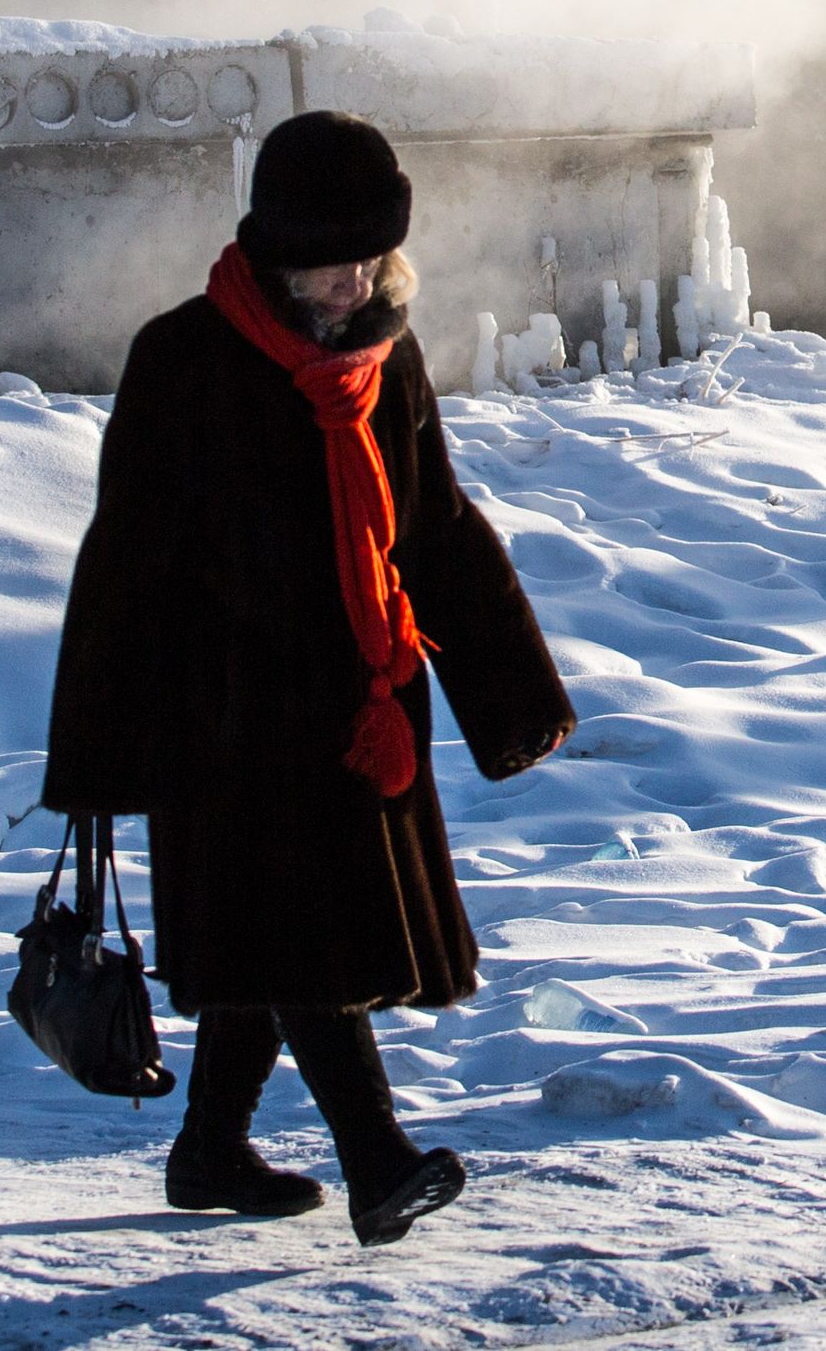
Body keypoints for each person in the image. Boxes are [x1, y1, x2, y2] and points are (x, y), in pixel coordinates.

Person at [41, 110, 574, 1244]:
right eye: (328, 264)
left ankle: (209, 1150)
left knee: (268, 940)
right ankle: (375, 1161)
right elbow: (125, 558)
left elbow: (430, 527)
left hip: (360, 707)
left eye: (367, 261)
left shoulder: (390, 359)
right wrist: (94, 748)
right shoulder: (182, 358)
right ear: (273, 253)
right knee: (301, 934)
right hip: (222, 718)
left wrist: (512, 693)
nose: (350, 285)